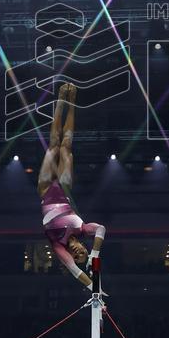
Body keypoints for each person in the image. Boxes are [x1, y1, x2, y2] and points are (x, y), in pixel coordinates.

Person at [38, 82, 106, 289]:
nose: (77, 254)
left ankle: (60, 99)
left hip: (46, 190)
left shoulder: (58, 245)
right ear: (84, 250)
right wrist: (95, 254)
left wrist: (94, 289)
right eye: (81, 254)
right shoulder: (84, 230)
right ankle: (72, 101)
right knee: (66, 145)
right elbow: (101, 228)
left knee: (53, 145)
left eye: (75, 257)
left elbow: (75, 272)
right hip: (64, 189)